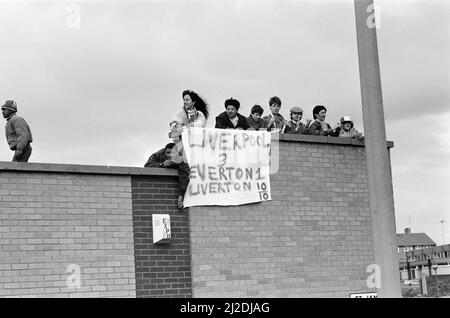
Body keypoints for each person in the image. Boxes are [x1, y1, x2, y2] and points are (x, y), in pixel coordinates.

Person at [169, 90, 209, 211]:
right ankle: (181, 196)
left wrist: (191, 126)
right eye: (184, 100)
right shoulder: (179, 112)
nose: (185, 102)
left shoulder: (199, 114)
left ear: (193, 102)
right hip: (182, 146)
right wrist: (179, 126)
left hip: (196, 147)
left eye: (187, 100)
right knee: (184, 169)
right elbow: (173, 124)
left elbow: (201, 124)